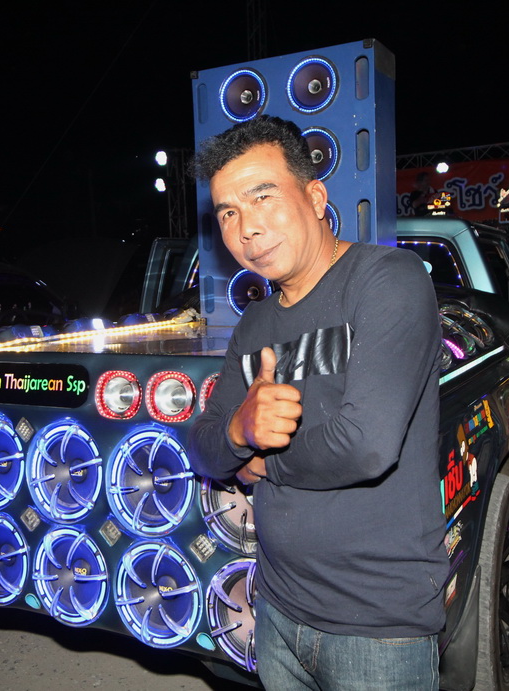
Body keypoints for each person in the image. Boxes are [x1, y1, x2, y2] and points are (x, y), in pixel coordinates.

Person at [187, 115, 447, 690]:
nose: (247, 228)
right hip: (276, 608)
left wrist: (261, 462)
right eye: (228, 213)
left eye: (263, 197)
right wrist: (237, 431)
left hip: (377, 626)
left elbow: (366, 445)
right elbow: (202, 447)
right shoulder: (254, 323)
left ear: (315, 197)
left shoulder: (387, 279)